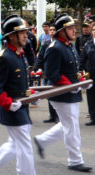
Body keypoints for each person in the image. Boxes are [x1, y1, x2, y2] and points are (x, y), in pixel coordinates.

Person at [0, 14, 36, 175]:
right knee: (25, 146)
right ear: (11, 36)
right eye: (22, 32)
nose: (26, 35)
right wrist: (8, 103)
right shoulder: (4, 57)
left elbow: (20, 81)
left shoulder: (20, 54)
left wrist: (30, 91)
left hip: (21, 106)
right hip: (12, 109)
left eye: (25, 32)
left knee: (15, 144)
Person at [34, 13, 92, 172]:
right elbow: (52, 74)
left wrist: (79, 83)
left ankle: (42, 141)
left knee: (68, 124)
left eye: (74, 28)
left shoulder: (67, 45)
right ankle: (75, 160)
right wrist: (71, 86)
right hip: (61, 94)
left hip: (70, 92)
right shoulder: (55, 48)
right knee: (72, 128)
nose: (75, 31)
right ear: (61, 31)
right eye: (71, 28)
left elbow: (72, 70)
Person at [35, 24, 59, 123]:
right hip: (47, 72)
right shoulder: (46, 43)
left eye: (54, 30)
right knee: (49, 94)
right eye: (51, 30)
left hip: (58, 72)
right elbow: (41, 57)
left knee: (57, 94)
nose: (52, 31)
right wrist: (35, 67)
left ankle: (58, 115)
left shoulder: (60, 43)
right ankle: (52, 116)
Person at [80, 24, 95, 126]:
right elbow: (82, 59)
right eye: (94, 30)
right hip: (91, 76)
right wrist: (81, 71)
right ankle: (93, 117)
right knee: (91, 97)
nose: (94, 32)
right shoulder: (88, 44)